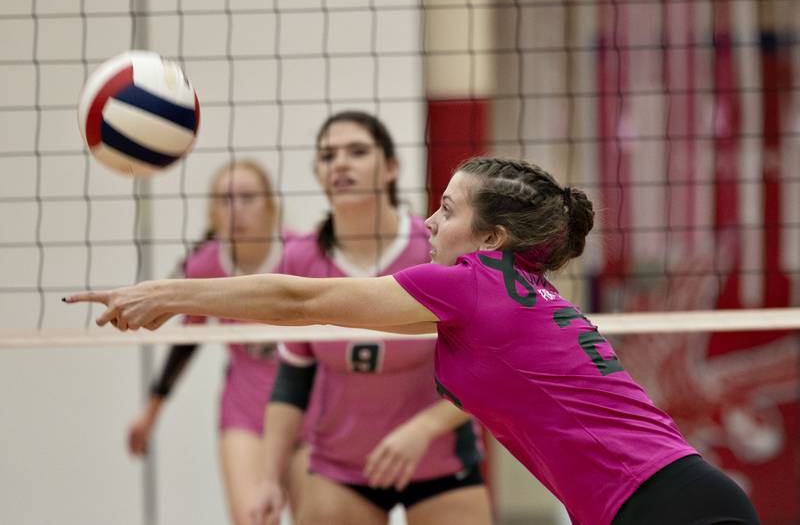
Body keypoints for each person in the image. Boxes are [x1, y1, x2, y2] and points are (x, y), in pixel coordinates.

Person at [65, 156, 760, 525]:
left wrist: (165, 292)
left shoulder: (474, 283)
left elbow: (300, 298)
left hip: (664, 504)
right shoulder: (517, 293)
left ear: (492, 239)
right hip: (669, 498)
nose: (428, 221)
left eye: (448, 210)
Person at [255, 111, 492, 525]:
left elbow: (489, 371)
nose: (341, 164)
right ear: (318, 172)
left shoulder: (435, 247)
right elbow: (291, 383)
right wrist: (270, 478)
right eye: (328, 156)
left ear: (391, 168)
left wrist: (423, 428)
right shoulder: (303, 257)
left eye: (358, 152)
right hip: (342, 469)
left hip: (439, 461)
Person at [124, 160, 307, 525]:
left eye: (247, 197)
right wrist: (150, 414)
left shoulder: (303, 254)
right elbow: (187, 341)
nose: (236, 208)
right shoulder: (205, 265)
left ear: (271, 205)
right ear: (212, 211)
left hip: (309, 409)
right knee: (253, 519)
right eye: (225, 199)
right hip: (245, 410)